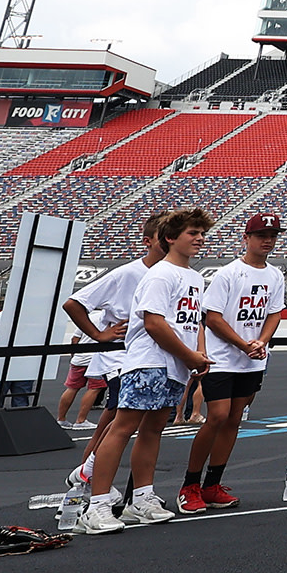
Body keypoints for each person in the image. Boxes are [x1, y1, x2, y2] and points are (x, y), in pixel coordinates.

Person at [76, 209, 215, 534]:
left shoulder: (194, 277)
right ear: (171, 238)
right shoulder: (161, 274)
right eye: (192, 233)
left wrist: (198, 354)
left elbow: (191, 323)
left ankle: (142, 496)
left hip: (174, 366)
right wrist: (189, 356)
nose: (199, 239)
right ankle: (96, 505)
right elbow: (153, 323)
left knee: (153, 430)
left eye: (201, 233)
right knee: (122, 428)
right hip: (149, 361)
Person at [181, 213, 285, 514]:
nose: (268, 240)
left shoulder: (275, 275)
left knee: (234, 419)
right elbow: (212, 317)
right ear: (246, 238)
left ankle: (212, 483)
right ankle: (190, 485)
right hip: (223, 357)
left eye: (273, 235)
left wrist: (261, 341)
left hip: (252, 359)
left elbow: (274, 313)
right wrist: (244, 345)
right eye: (261, 235)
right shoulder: (229, 273)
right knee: (217, 416)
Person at [60, 217, 165, 509]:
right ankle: (88, 479)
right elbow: (74, 302)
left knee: (125, 422)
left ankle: (93, 480)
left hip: (152, 357)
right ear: (148, 240)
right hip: (121, 358)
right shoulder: (127, 274)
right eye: (163, 236)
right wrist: (98, 335)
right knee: (122, 421)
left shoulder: (174, 273)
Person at [55, 344, 108, 430]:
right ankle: (81, 420)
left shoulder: (81, 329)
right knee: (95, 388)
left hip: (79, 358)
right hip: (95, 359)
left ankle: (61, 419)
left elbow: (74, 340)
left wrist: (74, 355)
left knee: (72, 388)